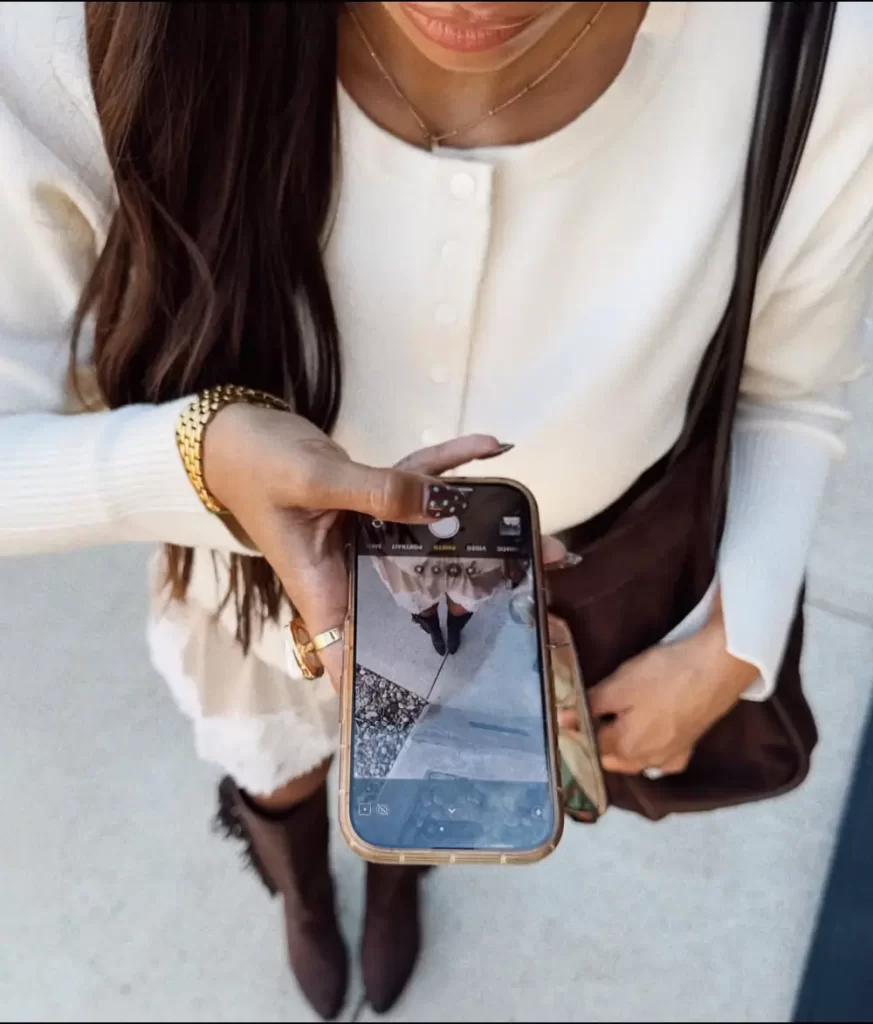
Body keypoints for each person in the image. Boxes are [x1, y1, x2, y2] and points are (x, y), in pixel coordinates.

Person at [1, 1, 871, 1018]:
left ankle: (398, 871)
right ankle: (301, 887)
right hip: (246, 608)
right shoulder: (77, 31)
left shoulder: (816, 44)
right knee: (270, 764)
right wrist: (191, 460)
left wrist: (737, 635)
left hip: (507, 633)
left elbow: (790, 385)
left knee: (430, 787)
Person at [372, 554, 529, 655]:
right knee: (421, 604)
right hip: (405, 545)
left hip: (480, 544)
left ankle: (454, 628)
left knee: (463, 604)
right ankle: (434, 630)